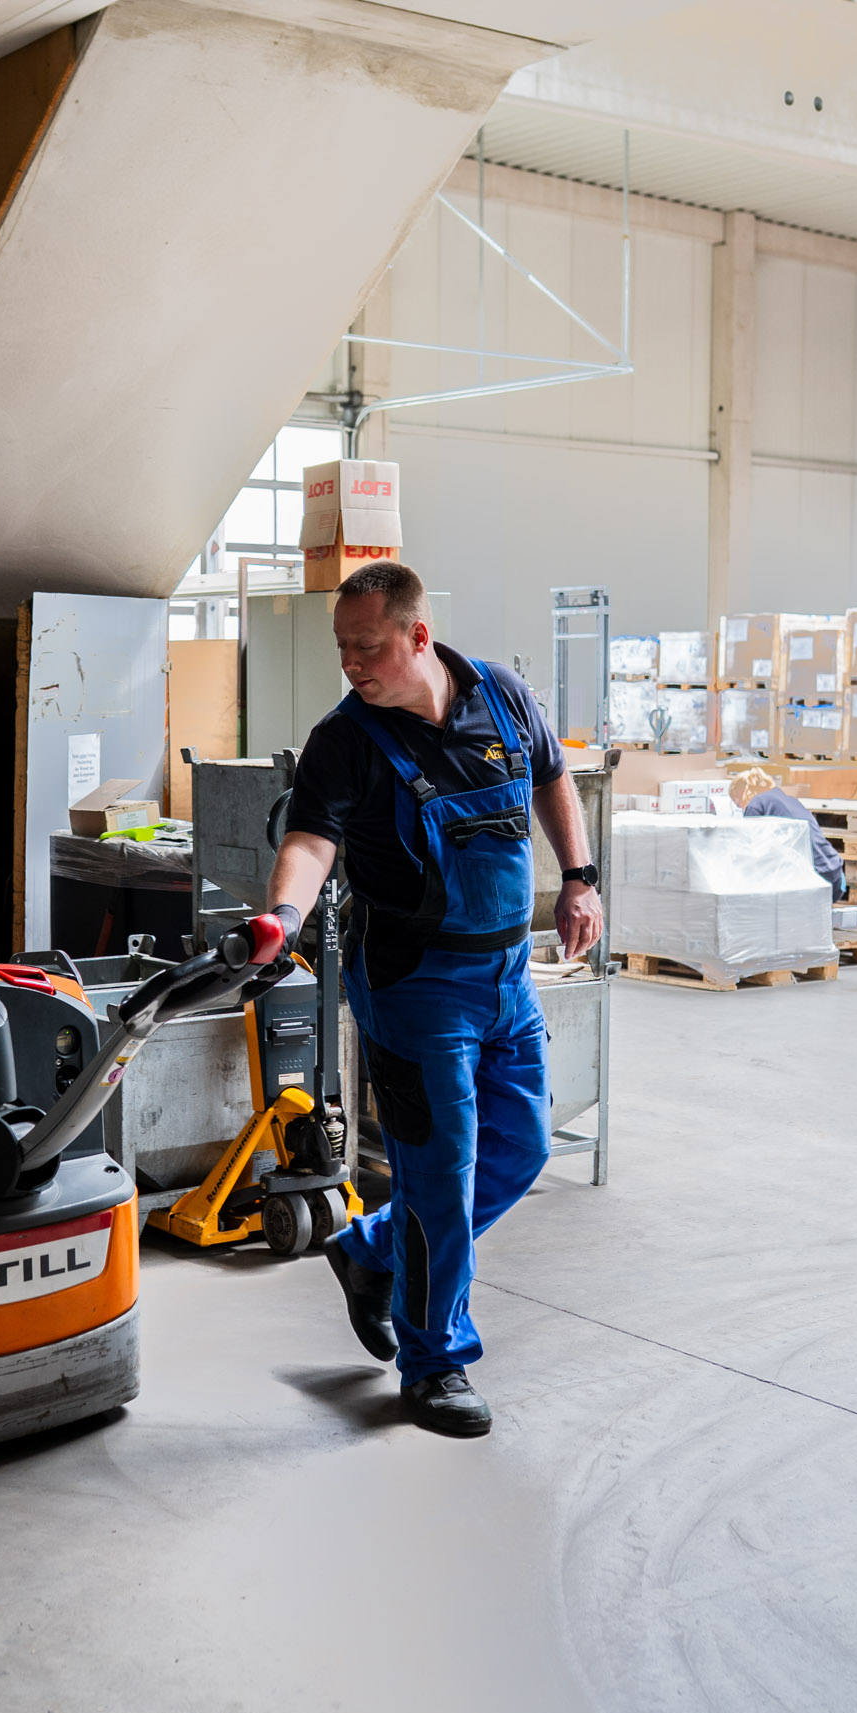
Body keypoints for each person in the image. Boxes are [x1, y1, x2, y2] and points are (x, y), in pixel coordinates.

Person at [263, 561, 603, 1438]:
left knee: (521, 1150)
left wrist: (578, 877)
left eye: (367, 646)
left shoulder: (500, 694)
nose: (351, 664)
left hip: (503, 978)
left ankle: (369, 1251)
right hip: (414, 988)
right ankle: (434, 1361)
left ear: (418, 637)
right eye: (341, 647)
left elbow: (550, 775)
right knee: (437, 1180)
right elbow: (308, 840)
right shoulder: (345, 740)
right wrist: (279, 915)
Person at [728, 767, 846, 903]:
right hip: (835, 874)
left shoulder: (755, 805)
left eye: (737, 803)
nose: (739, 808)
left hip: (815, 878)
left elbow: (751, 853)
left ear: (742, 793)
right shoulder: (789, 800)